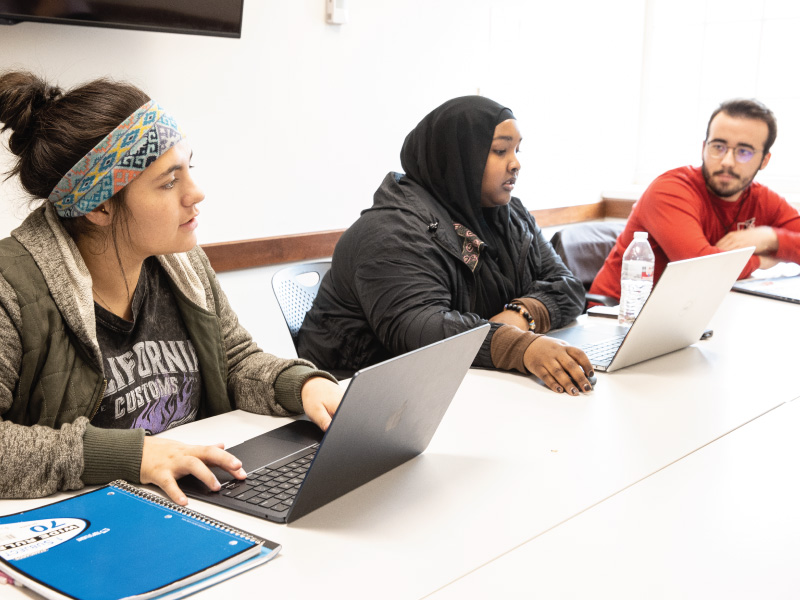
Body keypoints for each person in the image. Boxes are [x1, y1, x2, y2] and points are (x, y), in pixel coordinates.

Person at [0, 71, 343, 504]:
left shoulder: (182, 262)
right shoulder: (10, 288)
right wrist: (130, 455)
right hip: (85, 522)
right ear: (100, 206)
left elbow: (234, 361)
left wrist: (302, 386)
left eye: (189, 169)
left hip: (194, 498)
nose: (195, 193)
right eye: (168, 181)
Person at [297, 96, 594, 396]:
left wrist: (522, 314)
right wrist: (519, 346)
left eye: (517, 150)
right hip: (357, 404)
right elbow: (422, 331)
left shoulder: (511, 217)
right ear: (458, 157)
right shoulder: (390, 232)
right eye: (500, 151)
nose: (516, 163)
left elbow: (568, 287)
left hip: (457, 388)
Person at [591, 99, 800, 301]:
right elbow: (702, 268)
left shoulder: (762, 199)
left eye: (743, 152)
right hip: (617, 316)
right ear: (703, 148)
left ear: (764, 160)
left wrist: (771, 238)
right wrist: (763, 260)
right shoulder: (670, 190)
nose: (727, 161)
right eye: (718, 147)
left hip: (691, 315)